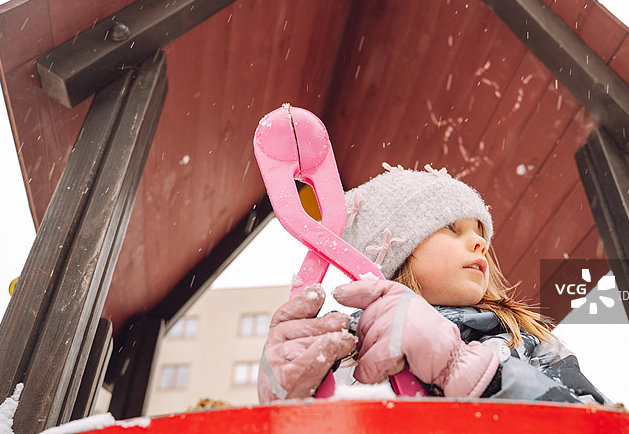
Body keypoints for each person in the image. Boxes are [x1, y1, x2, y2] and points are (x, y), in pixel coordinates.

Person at [258, 163, 610, 405]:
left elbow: (605, 423)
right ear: (397, 254)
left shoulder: (523, 342)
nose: (480, 243)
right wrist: (283, 402)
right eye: (452, 229)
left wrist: (472, 373)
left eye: (480, 233)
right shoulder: (345, 351)